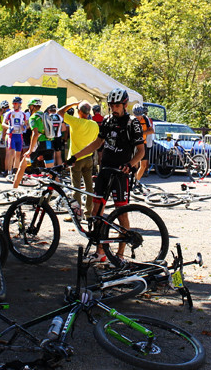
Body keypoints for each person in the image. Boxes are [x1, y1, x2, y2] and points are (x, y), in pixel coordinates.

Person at [66, 88, 144, 262]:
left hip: (120, 174)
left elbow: (141, 151)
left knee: (121, 213)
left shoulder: (132, 123)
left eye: (117, 105)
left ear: (124, 105)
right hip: (105, 171)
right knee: (96, 212)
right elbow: (98, 143)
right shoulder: (108, 120)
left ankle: (120, 255)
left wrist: (130, 165)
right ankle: (100, 252)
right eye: (111, 105)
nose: (114, 108)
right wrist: (75, 157)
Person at [62, 100, 100, 213]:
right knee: (89, 188)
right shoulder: (94, 125)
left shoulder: (75, 122)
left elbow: (59, 112)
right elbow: (95, 140)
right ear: (89, 113)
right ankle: (89, 212)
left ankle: (76, 212)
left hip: (75, 159)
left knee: (76, 187)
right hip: (88, 158)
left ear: (79, 111)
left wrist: (73, 104)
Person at [12, 99, 48, 188]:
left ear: (32, 107)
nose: (28, 109)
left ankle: (14, 189)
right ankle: (58, 193)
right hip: (48, 145)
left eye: (29, 107)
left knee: (22, 166)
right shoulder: (45, 116)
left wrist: (30, 150)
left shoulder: (34, 117)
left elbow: (35, 134)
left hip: (38, 145)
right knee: (50, 171)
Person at [2, 96, 29, 176]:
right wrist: (9, 127)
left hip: (19, 135)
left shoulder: (23, 114)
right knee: (11, 153)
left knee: (18, 154)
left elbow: (27, 125)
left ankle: (15, 170)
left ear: (20, 104)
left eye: (15, 103)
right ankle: (9, 171)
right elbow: (3, 123)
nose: (14, 105)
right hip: (11, 135)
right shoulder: (9, 113)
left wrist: (24, 127)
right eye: (13, 103)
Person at [133, 104, 155, 182]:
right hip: (133, 144)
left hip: (143, 143)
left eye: (139, 115)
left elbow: (152, 131)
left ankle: (136, 181)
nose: (138, 117)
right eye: (136, 115)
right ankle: (133, 181)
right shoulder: (131, 120)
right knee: (134, 164)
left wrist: (141, 133)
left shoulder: (145, 119)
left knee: (143, 165)